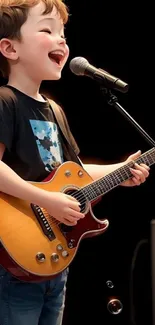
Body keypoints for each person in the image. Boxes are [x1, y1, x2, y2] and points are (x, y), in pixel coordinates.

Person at [0, 1, 150, 325]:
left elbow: (76, 171)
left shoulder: (55, 110)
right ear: (10, 48)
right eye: (47, 30)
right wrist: (46, 200)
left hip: (53, 261)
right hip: (14, 257)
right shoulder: (5, 101)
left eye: (64, 33)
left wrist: (121, 171)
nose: (62, 40)